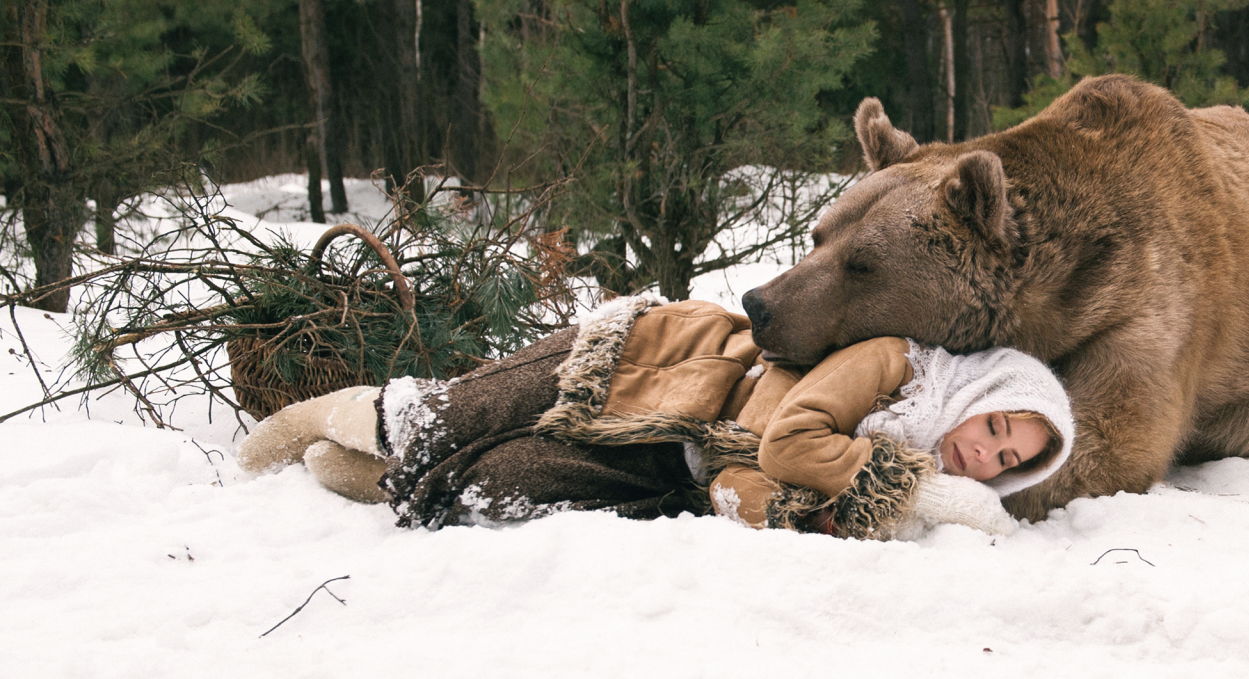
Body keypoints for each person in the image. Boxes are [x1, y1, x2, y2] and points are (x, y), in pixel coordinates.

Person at [238, 295, 1072, 540]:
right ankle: (314, 420)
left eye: (1007, 464)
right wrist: (909, 486)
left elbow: (767, 490)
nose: (984, 455)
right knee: (455, 417)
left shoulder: (892, 494)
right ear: (980, 398)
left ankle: (360, 475)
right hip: (662, 365)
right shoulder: (899, 365)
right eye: (997, 429)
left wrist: (774, 511)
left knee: (495, 487)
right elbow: (788, 438)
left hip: (671, 466)